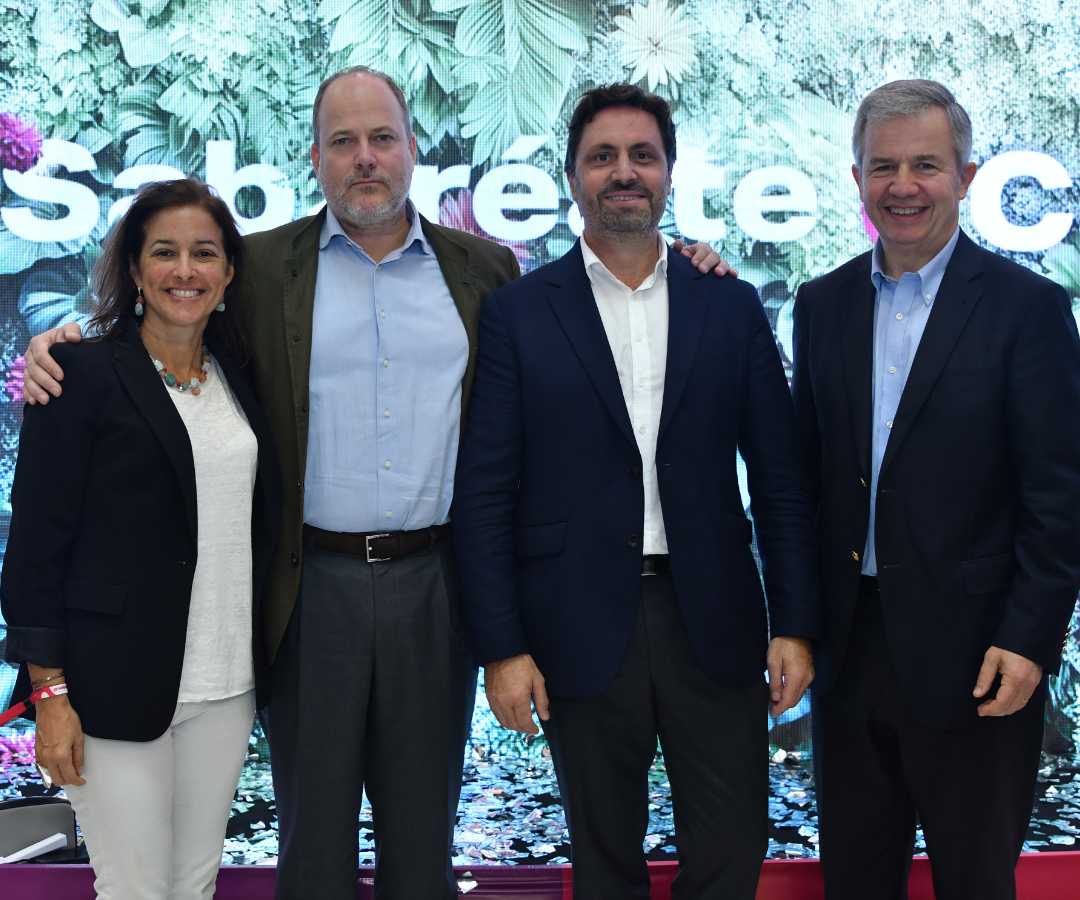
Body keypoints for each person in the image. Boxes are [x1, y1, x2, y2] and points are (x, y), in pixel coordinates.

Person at [19, 69, 734, 900]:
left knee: (422, 843)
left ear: (413, 149)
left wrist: (689, 258)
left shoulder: (485, 271)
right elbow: (168, 324)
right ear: (315, 156)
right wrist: (65, 344)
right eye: (344, 141)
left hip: (437, 584)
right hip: (306, 586)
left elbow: (585, 306)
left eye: (382, 139)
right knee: (313, 849)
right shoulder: (258, 268)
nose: (366, 159)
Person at [451, 83, 821, 900]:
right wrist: (502, 648)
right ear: (573, 175)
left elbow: (782, 479)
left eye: (642, 156)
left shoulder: (727, 303)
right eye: (603, 156)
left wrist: (795, 624)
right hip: (576, 623)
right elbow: (484, 492)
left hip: (714, 618)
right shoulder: (518, 314)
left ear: (669, 171)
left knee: (731, 850)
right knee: (604, 858)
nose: (625, 172)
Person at [791, 78, 1080, 900]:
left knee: (976, 881)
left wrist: (1030, 639)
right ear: (856, 180)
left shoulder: (1028, 310)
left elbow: (1060, 496)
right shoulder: (821, 305)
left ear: (966, 174)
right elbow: (805, 480)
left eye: (926, 164)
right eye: (883, 167)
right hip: (850, 652)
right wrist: (800, 627)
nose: (903, 186)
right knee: (855, 879)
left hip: (981, 654)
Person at [1, 178, 282, 899]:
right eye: (164, 253)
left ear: (227, 274)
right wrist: (50, 693)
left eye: (204, 254)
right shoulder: (78, 373)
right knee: (135, 891)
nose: (184, 271)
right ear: (133, 269)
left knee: (191, 887)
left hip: (226, 686)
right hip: (110, 690)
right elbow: (35, 548)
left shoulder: (240, 379)